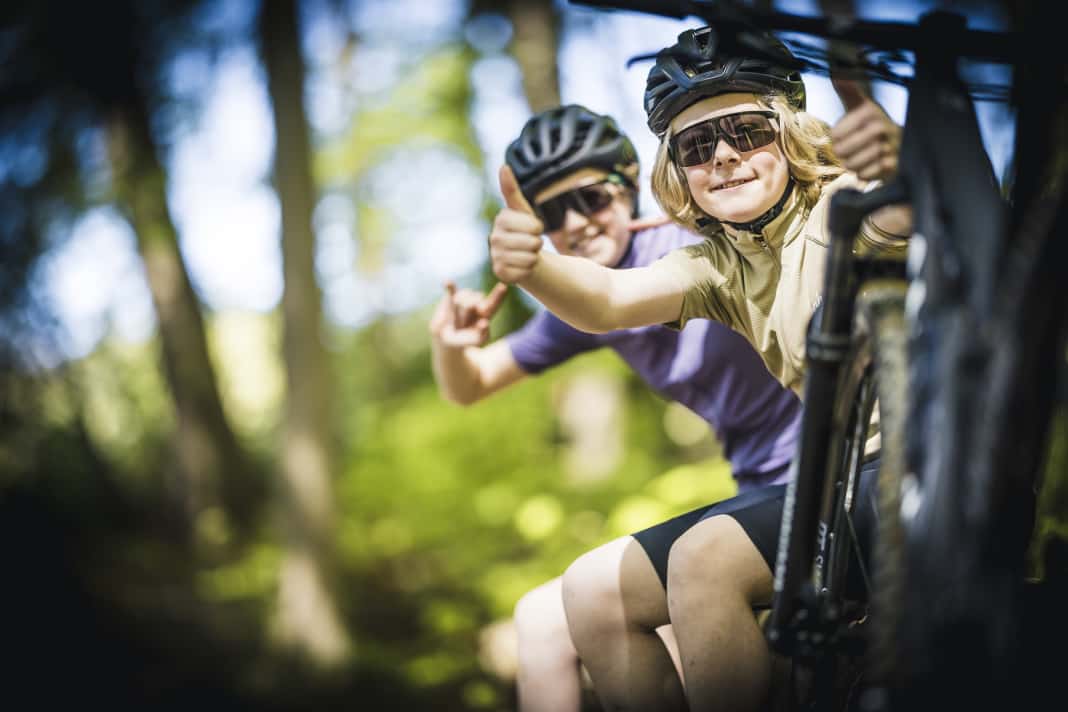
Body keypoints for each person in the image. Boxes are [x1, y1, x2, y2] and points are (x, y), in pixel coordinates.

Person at [487, 26, 910, 712]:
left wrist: (898, 162)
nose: (722, 156)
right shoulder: (721, 261)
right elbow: (604, 302)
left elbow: (912, 213)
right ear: (677, 170)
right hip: (831, 485)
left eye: (745, 131)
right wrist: (532, 264)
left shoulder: (844, 204)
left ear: (791, 134)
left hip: (916, 471)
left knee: (704, 558)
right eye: (695, 146)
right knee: (592, 592)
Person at [430, 103, 804, 712]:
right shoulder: (579, 298)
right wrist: (449, 346)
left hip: (821, 481)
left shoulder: (702, 244)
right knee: (540, 619)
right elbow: (469, 386)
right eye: (552, 213)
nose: (576, 224)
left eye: (592, 198)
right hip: (755, 497)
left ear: (630, 187)